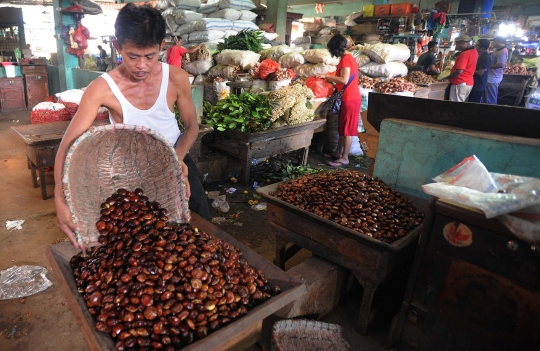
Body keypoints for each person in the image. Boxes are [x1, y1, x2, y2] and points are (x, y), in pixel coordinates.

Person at [54, 3, 210, 250]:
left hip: (176, 159)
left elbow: (191, 126)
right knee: (139, 242)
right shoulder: (102, 88)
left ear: (161, 46)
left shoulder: (176, 78)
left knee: (202, 227)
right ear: (118, 47)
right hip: (133, 173)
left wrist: (176, 159)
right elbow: (66, 146)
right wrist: (59, 200)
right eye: (132, 56)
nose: (142, 66)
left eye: (150, 56)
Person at [317, 34, 361, 168]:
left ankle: (345, 158)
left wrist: (327, 76)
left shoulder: (346, 59)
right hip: (348, 97)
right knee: (342, 128)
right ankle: (338, 153)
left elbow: (344, 80)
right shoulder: (348, 58)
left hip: (350, 98)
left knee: (347, 130)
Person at [443, 35, 478, 102]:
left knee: (455, 106)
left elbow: (459, 71)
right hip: (468, 83)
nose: (457, 47)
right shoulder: (474, 51)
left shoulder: (465, 54)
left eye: (457, 45)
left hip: (460, 83)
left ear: (462, 42)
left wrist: (447, 78)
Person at [485, 37, 508, 105]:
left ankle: (491, 112)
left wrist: (486, 66)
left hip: (493, 77)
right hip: (492, 76)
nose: (492, 43)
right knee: (488, 97)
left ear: (499, 41)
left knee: (491, 97)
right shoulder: (498, 50)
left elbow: (501, 65)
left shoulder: (503, 51)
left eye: (494, 41)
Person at [469, 39, 492, 103]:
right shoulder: (478, 55)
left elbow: (480, 72)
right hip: (473, 83)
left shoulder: (486, 57)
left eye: (476, 46)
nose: (474, 47)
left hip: (478, 85)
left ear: (482, 48)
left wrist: (468, 70)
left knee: (474, 103)